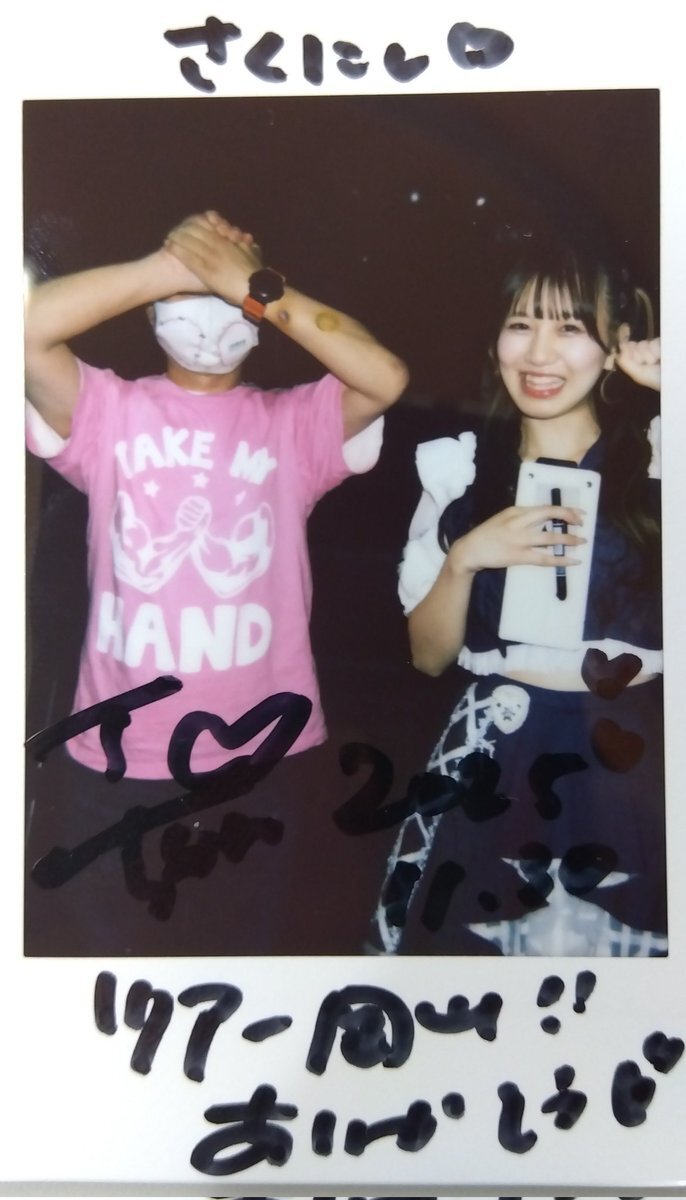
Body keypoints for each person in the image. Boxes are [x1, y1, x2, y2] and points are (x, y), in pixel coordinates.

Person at [24, 209, 408, 955]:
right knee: (107, 968)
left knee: (238, 963)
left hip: (259, 764)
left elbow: (385, 376)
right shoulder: (105, 412)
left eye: (230, 293)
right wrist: (170, 265)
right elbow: (24, 329)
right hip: (114, 763)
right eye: (188, 294)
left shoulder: (294, 427)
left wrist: (256, 285)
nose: (210, 306)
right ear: (150, 310)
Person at [373, 235, 664, 957]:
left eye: (570, 328)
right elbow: (427, 657)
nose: (539, 354)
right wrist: (466, 558)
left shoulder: (661, 457)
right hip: (499, 749)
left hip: (637, 757)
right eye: (521, 323)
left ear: (616, 346)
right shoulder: (460, 472)